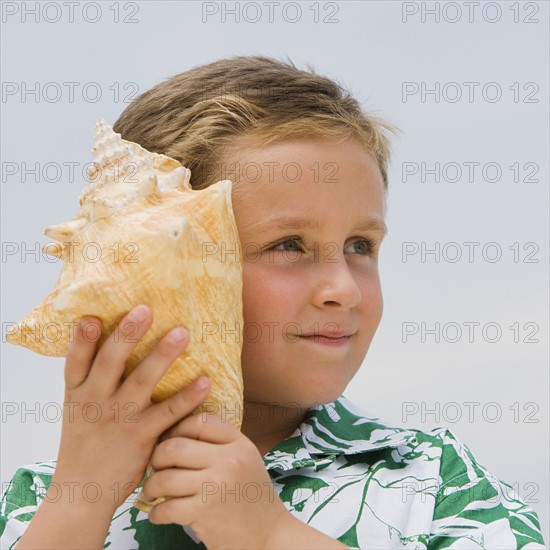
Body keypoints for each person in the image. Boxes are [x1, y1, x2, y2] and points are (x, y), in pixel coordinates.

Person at [1, 55, 546, 549]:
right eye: (289, 246)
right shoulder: (45, 495)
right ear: (161, 274)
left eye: (361, 246)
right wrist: (80, 502)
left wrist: (268, 535)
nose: (344, 289)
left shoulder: (432, 478)